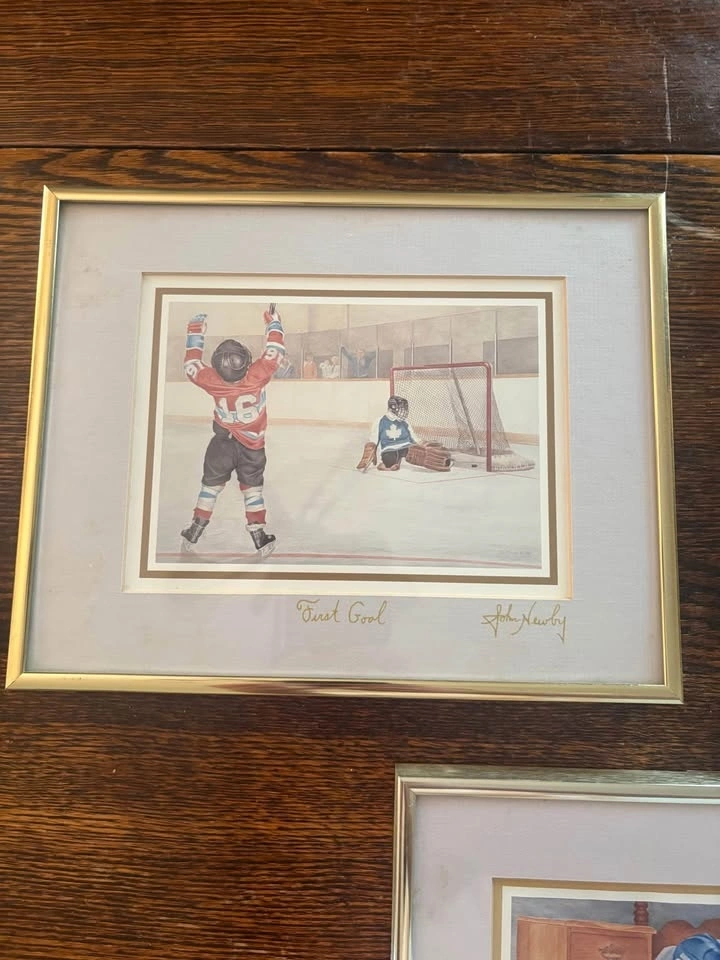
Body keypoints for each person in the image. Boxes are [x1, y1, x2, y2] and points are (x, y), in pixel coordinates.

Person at [180, 303, 285, 558]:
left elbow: (191, 364)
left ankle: (195, 530)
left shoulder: (211, 380)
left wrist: (195, 330)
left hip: (221, 443)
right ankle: (259, 536)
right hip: (253, 447)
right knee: (252, 490)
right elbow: (275, 350)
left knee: (210, 488)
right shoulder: (257, 375)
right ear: (246, 363)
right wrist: (273, 321)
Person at [355, 396, 452, 472]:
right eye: (401, 409)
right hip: (389, 449)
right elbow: (373, 440)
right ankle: (384, 466)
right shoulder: (380, 421)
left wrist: (422, 443)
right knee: (389, 460)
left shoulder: (404, 422)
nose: (404, 412)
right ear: (393, 408)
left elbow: (413, 437)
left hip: (405, 447)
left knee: (419, 453)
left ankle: (444, 463)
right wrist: (367, 456)